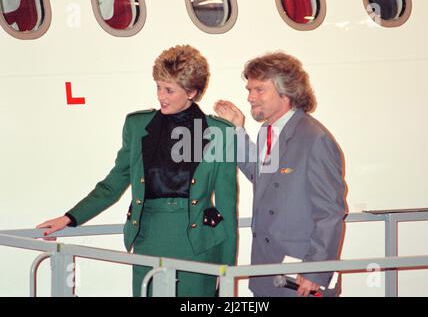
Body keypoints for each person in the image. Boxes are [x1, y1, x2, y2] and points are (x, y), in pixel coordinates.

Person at [37, 45, 238, 297]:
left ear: (191, 92)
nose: (160, 96)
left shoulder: (221, 132)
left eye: (169, 90)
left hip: (199, 244)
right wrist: (70, 217)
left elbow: (227, 208)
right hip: (149, 237)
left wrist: (228, 271)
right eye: (158, 86)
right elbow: (114, 183)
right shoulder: (137, 125)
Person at [214, 52, 346, 297]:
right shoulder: (268, 132)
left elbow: (330, 213)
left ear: (286, 93)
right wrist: (237, 131)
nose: (250, 97)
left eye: (259, 90)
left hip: (301, 282)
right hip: (268, 274)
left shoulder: (315, 139)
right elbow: (261, 176)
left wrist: (315, 272)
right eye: (249, 89)